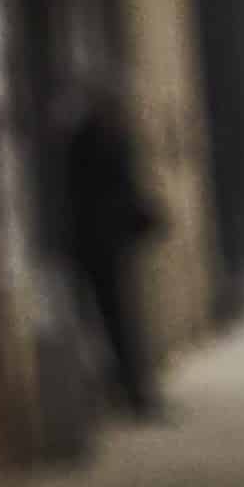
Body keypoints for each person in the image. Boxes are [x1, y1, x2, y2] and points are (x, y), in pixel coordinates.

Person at [52, 69, 167, 421]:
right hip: (102, 245)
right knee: (115, 320)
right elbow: (115, 191)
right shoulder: (97, 138)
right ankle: (128, 390)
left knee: (114, 319)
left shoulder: (90, 137)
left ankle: (127, 388)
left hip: (102, 244)